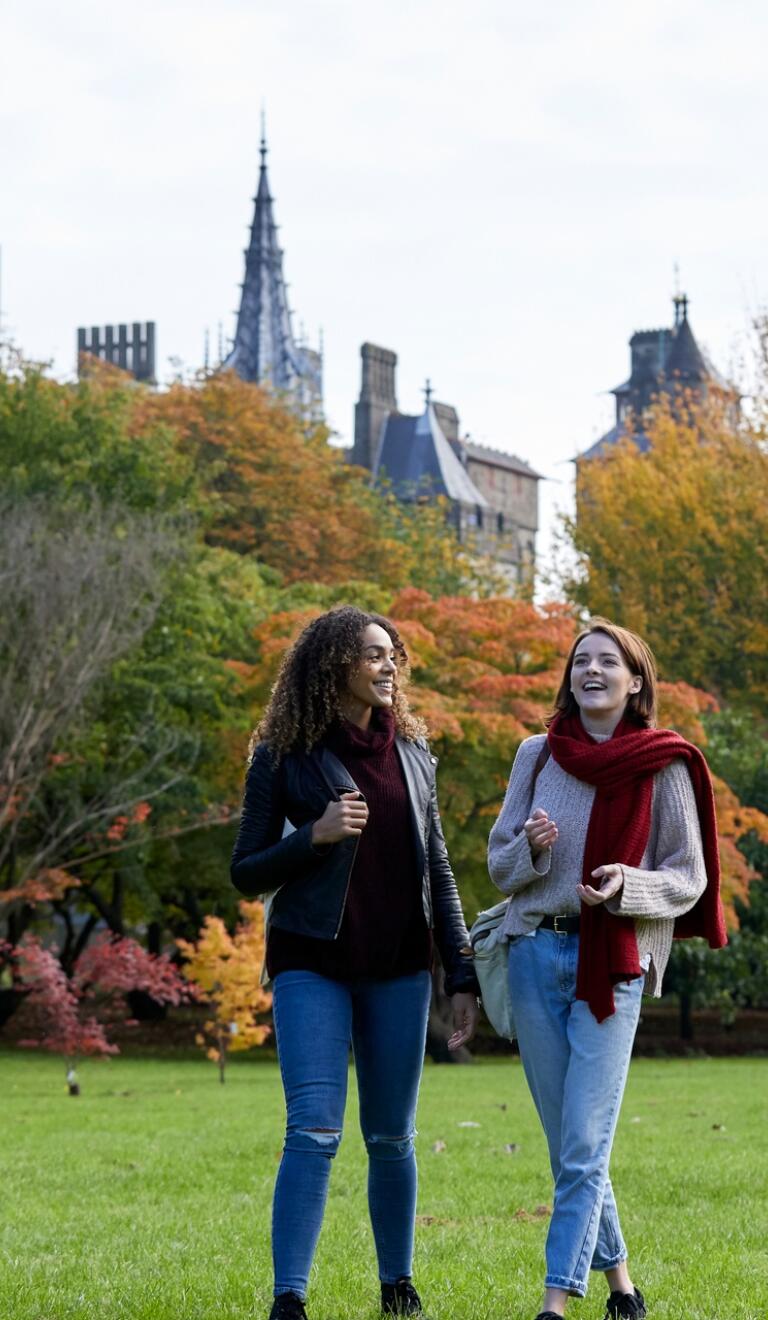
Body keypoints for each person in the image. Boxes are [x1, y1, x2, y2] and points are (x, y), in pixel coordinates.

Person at [231, 605, 479, 1320]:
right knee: (312, 1126)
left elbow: (440, 869)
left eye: (393, 654)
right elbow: (245, 870)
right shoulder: (283, 755)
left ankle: (397, 1284)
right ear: (333, 665)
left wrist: (459, 972)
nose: (389, 665)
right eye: (373, 654)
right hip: (313, 962)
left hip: (400, 969)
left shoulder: (415, 756)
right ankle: (290, 1298)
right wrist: (315, 835)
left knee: (392, 1134)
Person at [487, 618, 726, 1320]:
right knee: (573, 1144)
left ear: (636, 680)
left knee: (585, 1141)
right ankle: (623, 1288)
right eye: (579, 661)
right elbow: (500, 868)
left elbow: (691, 877)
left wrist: (628, 885)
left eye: (607, 662)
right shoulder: (537, 755)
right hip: (534, 951)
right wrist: (529, 848)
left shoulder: (666, 763)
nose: (590, 671)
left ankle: (555, 1302)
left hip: (615, 962)